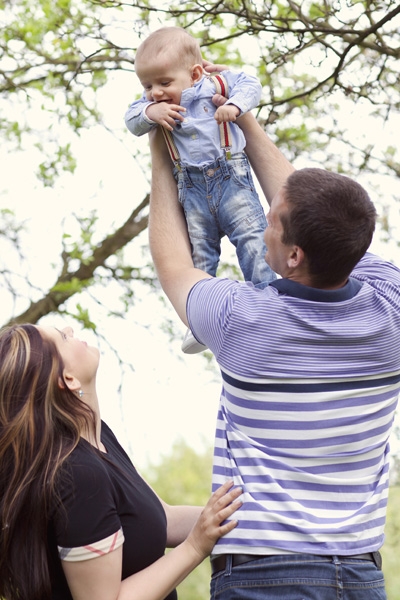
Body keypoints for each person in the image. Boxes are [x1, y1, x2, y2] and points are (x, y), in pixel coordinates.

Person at [147, 96, 400, 598]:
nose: (261, 224)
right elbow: (323, 219)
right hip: (360, 577)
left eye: (271, 221)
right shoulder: (391, 307)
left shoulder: (241, 319)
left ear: (294, 255)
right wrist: (241, 116)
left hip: (263, 579)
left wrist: (162, 156)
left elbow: (173, 263)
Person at [0, 323, 243, 600]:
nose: (70, 329)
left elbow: (163, 520)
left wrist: (248, 517)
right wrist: (195, 546)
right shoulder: (79, 476)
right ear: (68, 379)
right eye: (63, 337)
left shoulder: (99, 438)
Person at [124, 27, 276, 354]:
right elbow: (132, 119)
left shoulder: (216, 84)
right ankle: (200, 320)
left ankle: (269, 298)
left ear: (194, 74)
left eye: (164, 83)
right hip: (191, 187)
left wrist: (234, 106)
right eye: (147, 86)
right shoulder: (152, 105)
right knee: (200, 253)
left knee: (253, 239)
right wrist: (150, 112)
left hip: (231, 179)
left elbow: (251, 84)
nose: (155, 93)